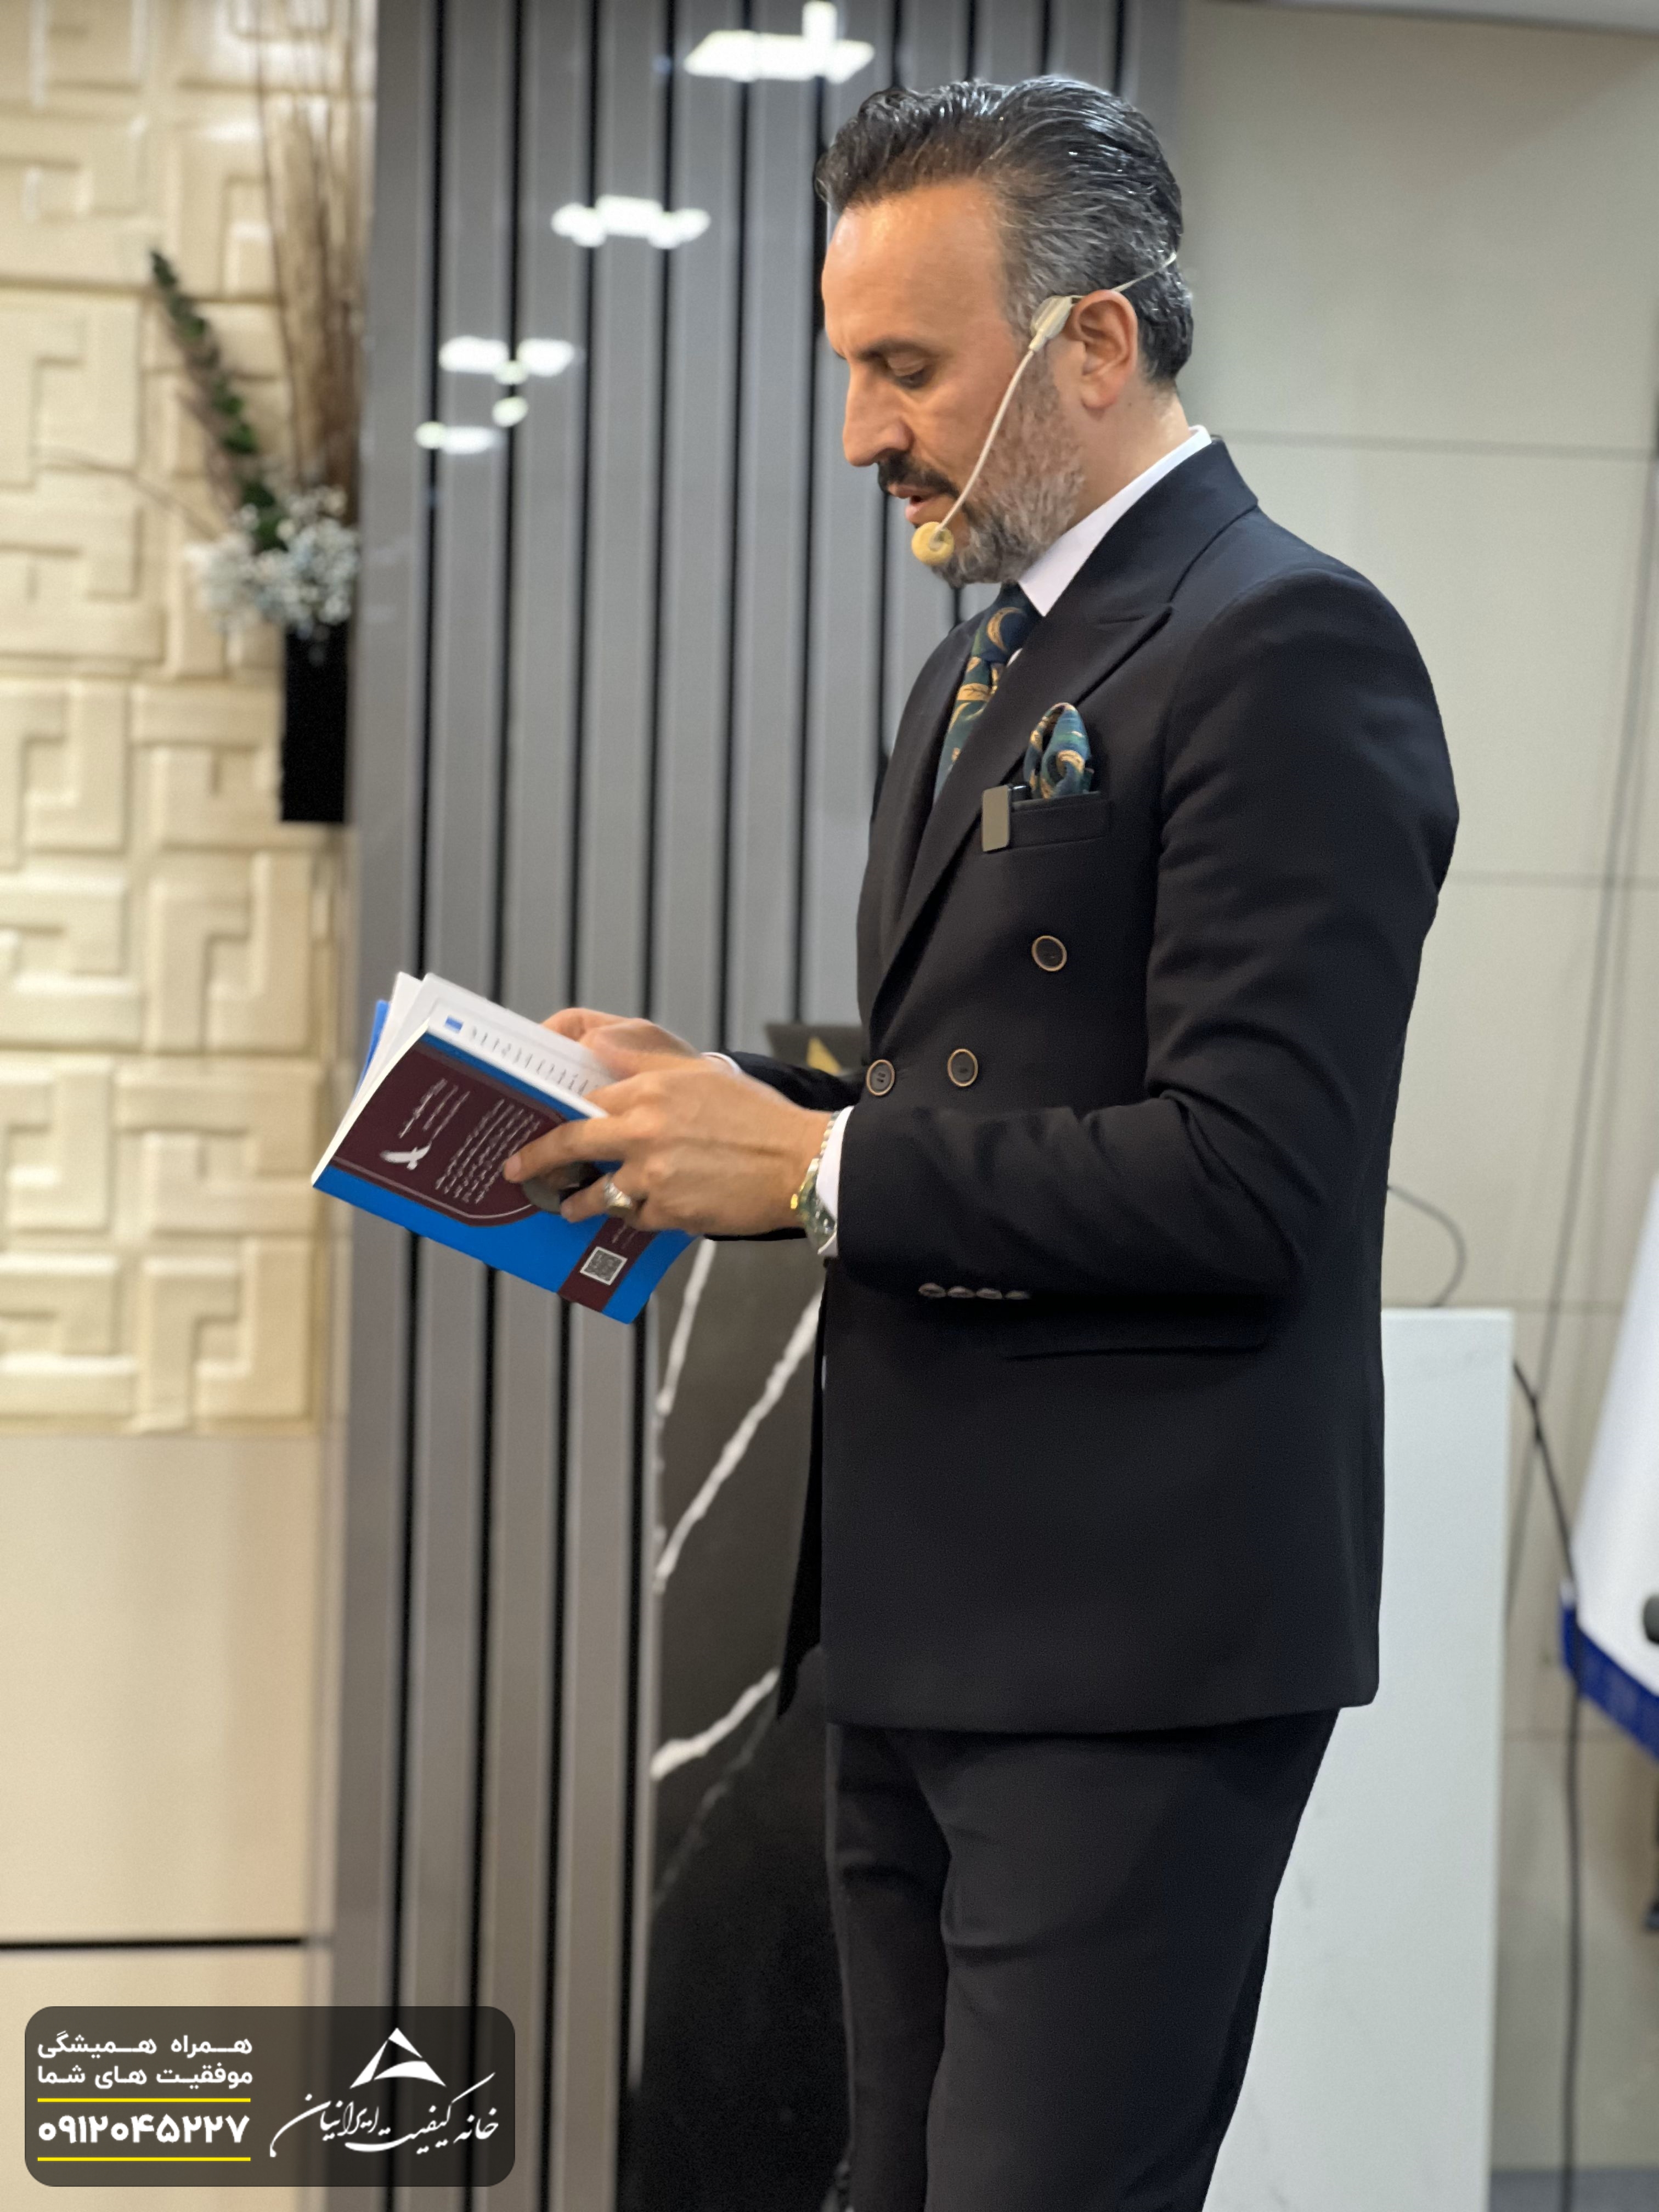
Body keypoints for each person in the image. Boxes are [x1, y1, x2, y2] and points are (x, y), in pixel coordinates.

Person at [503, 75, 1458, 2212]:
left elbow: (1251, 1175)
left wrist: (813, 1169)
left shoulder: (1288, 645)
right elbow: (995, 1095)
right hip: (920, 1610)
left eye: (907, 368)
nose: (863, 431)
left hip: (1127, 1646)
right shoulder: (975, 673)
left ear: (1093, 343)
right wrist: (720, 1107)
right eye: (852, 365)